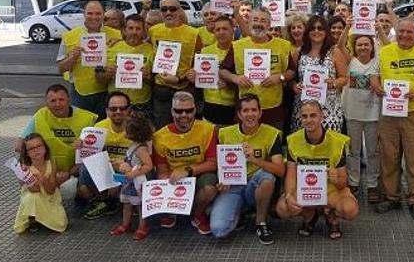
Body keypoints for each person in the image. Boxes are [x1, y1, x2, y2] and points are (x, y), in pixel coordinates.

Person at [371, 19, 414, 220]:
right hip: (389, 113)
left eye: (409, 32)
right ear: (396, 32)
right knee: (388, 156)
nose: (404, 35)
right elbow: (374, 75)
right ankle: (391, 197)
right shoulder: (385, 51)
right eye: (401, 31)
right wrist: (376, 87)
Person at [276, 100, 358, 239]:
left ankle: (332, 216)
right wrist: (289, 195)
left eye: (313, 115)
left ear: (322, 116)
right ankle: (309, 214)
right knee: (282, 208)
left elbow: (344, 182)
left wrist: (336, 179)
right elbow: (291, 175)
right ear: (300, 118)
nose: (308, 120)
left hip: (331, 190)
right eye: (304, 116)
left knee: (350, 210)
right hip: (306, 190)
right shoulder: (293, 140)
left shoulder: (337, 141)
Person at [210, 95, 285, 244]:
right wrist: (221, 181)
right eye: (245, 110)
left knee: (268, 178)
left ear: (260, 112)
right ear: (239, 114)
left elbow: (280, 170)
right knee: (219, 230)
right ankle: (240, 210)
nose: (250, 114)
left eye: (254, 110)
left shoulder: (272, 134)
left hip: (255, 183)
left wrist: (254, 160)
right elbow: (216, 163)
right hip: (232, 185)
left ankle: (261, 222)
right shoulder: (224, 134)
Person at [152, 92, 218, 234]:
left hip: (198, 174)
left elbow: (213, 163)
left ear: (195, 110)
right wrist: (167, 190)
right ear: (171, 111)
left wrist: (188, 170)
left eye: (188, 110)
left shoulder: (209, 129)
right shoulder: (159, 136)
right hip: (173, 177)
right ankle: (170, 210)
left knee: (210, 188)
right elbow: (162, 170)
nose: (184, 115)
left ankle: (198, 214)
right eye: (178, 111)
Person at [220, 7, 294, 130]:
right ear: (249, 21)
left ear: (269, 24)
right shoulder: (238, 45)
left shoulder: (283, 45)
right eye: (255, 19)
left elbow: (291, 71)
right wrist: (235, 78)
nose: (259, 24)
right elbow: (222, 71)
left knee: (272, 146)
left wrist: (280, 77)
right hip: (245, 109)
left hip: (273, 109)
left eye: (263, 21)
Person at [19, 84, 100, 188]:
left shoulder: (86, 118)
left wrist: (69, 173)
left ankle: (87, 197)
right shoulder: (40, 115)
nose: (57, 104)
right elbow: (19, 144)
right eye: (53, 101)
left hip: (75, 170)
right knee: (22, 158)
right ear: (46, 103)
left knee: (87, 168)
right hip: (46, 170)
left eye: (61, 99)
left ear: (69, 100)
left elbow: (92, 153)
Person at [57, 0, 122, 119]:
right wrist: (72, 57)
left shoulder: (117, 35)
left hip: (107, 91)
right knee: (81, 128)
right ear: (84, 14)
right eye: (90, 13)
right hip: (80, 93)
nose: (94, 17)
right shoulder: (70, 36)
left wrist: (121, 42)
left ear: (103, 15)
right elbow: (60, 68)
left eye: (98, 13)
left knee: (103, 130)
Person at [79, 92, 133, 220]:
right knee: (84, 175)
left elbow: (146, 161)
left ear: (129, 110)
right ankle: (107, 201)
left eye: (123, 108)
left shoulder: (139, 128)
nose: (118, 111)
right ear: (107, 111)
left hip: (130, 171)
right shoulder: (99, 127)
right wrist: (81, 147)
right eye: (113, 109)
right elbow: (92, 158)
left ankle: (122, 200)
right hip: (109, 171)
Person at [149, 0, 202, 127]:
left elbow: (200, 62)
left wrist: (182, 78)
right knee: (162, 129)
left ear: (179, 10)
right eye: (164, 9)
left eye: (172, 9)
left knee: (185, 127)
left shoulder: (193, 33)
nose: (168, 12)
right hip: (161, 89)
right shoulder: (153, 31)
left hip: (183, 87)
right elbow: (134, 40)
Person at [290, 16, 348, 132]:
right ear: (308, 31)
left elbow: (345, 78)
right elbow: (292, 77)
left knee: (329, 146)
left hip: (329, 110)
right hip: (304, 110)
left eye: (320, 28)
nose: (316, 31)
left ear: (326, 31)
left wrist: (334, 83)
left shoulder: (335, 52)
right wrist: (294, 86)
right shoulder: (299, 52)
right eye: (313, 28)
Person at [342, 34, 382, 202]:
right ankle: (353, 183)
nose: (363, 47)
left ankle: (372, 185)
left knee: (373, 151)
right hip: (352, 113)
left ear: (372, 46)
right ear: (354, 47)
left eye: (367, 44)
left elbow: (386, 45)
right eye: (359, 45)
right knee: (353, 152)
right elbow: (339, 45)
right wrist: (346, 27)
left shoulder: (378, 62)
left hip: (373, 114)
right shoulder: (349, 60)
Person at [99, 14, 155, 117]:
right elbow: (100, 79)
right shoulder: (111, 47)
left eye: (138, 29)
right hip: (116, 106)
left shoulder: (151, 50)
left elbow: (156, 81)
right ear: (124, 30)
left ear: (143, 31)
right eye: (131, 28)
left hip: (141, 105)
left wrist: (148, 77)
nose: (134, 32)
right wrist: (107, 75)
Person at [110, 112, 155, 241]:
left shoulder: (141, 149)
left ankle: (142, 226)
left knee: (141, 205)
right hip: (130, 181)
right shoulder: (133, 146)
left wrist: (132, 173)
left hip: (138, 182)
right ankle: (126, 224)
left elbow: (148, 165)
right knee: (127, 203)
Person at [13, 133, 67, 234]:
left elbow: (51, 190)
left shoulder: (51, 163)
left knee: (60, 223)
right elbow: (34, 190)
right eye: (31, 148)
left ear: (45, 148)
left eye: (39, 146)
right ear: (27, 153)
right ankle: (33, 218)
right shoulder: (25, 168)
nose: (36, 150)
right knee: (33, 197)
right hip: (33, 195)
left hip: (49, 198)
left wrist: (43, 180)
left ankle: (43, 218)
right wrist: (28, 178)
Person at [201, 15, 238, 125]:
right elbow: (199, 76)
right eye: (218, 29)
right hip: (209, 106)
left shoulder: (239, 50)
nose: (221, 32)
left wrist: (230, 84)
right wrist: (194, 75)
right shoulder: (205, 51)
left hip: (232, 107)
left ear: (233, 30)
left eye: (225, 29)